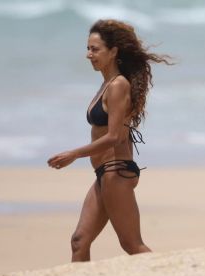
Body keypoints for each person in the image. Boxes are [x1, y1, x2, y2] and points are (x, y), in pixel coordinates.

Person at [47, 19, 172, 262]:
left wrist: (73, 154)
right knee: (79, 241)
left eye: (95, 49)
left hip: (117, 172)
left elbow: (115, 137)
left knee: (131, 244)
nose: (88, 55)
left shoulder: (118, 86)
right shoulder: (106, 85)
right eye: (88, 48)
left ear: (113, 52)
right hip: (104, 173)